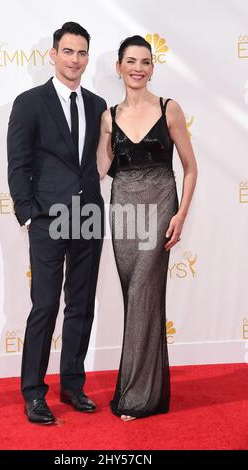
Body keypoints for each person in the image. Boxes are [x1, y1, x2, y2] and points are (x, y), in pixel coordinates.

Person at [7, 22, 106, 425]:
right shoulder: (29, 102)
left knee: (81, 305)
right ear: (53, 54)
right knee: (44, 306)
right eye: (68, 51)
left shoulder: (99, 105)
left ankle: (73, 384)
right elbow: (18, 164)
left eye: (82, 53)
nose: (76, 60)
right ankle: (33, 392)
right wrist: (28, 213)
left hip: (88, 216)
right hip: (48, 218)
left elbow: (100, 160)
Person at [97, 35, 197, 421]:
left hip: (160, 208)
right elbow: (100, 170)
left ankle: (136, 399)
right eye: (131, 61)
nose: (138, 68)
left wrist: (181, 214)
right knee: (138, 300)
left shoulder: (169, 108)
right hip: (123, 211)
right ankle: (149, 391)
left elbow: (190, 168)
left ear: (152, 68)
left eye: (145, 62)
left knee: (142, 294)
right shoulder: (108, 116)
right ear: (119, 66)